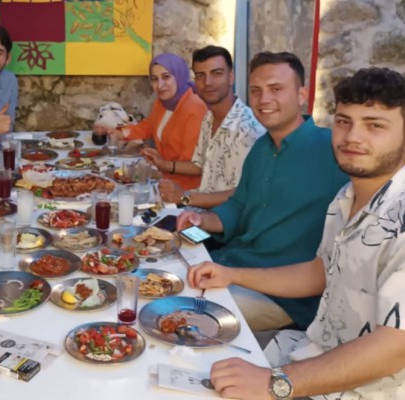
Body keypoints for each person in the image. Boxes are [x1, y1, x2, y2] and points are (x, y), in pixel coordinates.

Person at [189, 67, 405, 400]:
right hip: (309, 350)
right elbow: (319, 272)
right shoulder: (346, 198)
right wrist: (231, 274)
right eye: (344, 121)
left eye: (374, 125)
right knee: (188, 351)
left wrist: (276, 382)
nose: (352, 136)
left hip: (362, 390)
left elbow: (395, 347)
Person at [177, 52, 348, 331]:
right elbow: (238, 206)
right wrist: (201, 220)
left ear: (301, 95)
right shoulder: (261, 148)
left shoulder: (333, 149)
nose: (264, 99)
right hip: (232, 263)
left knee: (185, 315)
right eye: (256, 91)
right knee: (161, 279)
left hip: (283, 295)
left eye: (276, 89)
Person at [159, 45, 264, 208]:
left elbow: (245, 194)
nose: (207, 82)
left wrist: (185, 197)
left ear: (231, 77)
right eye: (200, 76)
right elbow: (200, 165)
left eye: (216, 73)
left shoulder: (249, 129)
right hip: (199, 210)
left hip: (225, 219)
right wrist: (163, 164)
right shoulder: (209, 118)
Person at [108, 53, 208, 190]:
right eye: (154, 79)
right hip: (165, 180)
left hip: (186, 190)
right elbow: (147, 126)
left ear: (179, 75)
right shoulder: (162, 103)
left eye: (166, 77)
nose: (159, 85)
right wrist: (121, 132)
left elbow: (196, 166)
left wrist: (163, 165)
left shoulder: (195, 109)